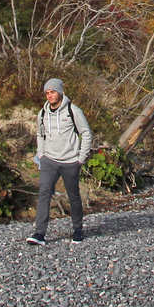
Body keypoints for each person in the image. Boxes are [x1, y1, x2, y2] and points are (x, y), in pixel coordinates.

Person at [26, 79, 92, 246]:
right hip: (49, 160)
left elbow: (86, 133)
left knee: (74, 196)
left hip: (71, 161)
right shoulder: (42, 113)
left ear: (60, 92)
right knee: (44, 193)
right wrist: (41, 154)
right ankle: (39, 233)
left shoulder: (73, 111)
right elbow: (40, 134)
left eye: (52, 92)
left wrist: (81, 158)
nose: (49, 95)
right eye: (47, 93)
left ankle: (78, 230)